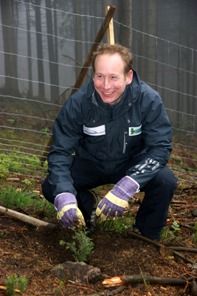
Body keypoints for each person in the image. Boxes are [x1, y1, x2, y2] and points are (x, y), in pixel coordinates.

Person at [42, 43, 177, 240]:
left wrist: (127, 187)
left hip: (130, 162)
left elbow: (160, 148)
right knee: (51, 186)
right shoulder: (78, 103)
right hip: (91, 163)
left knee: (165, 181)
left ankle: (146, 235)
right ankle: (85, 211)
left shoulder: (148, 100)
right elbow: (60, 152)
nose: (105, 86)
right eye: (99, 76)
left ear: (128, 76)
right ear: (93, 75)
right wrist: (64, 195)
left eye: (113, 77)